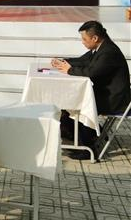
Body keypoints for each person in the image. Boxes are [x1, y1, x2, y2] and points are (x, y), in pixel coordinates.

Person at [51, 20, 130, 159]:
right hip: (106, 94)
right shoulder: (100, 48)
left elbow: (91, 72)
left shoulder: (108, 52)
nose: (82, 42)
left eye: (84, 39)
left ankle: (87, 148)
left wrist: (69, 70)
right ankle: (90, 137)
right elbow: (83, 61)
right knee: (70, 102)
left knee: (80, 104)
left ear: (95, 38)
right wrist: (63, 62)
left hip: (114, 100)